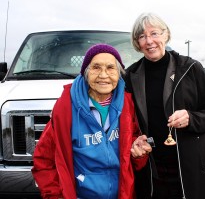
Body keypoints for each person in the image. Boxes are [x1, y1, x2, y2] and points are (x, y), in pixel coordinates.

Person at [124, 12, 205, 199]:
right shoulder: (131, 75)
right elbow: (127, 123)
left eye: (154, 33)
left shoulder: (190, 68)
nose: (149, 41)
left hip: (191, 166)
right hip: (151, 167)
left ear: (166, 34)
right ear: (137, 43)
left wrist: (191, 117)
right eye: (142, 36)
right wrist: (135, 142)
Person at [32, 43, 152, 199]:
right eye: (96, 67)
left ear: (118, 74)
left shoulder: (127, 104)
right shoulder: (66, 108)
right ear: (86, 73)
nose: (103, 75)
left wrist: (138, 154)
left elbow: (132, 153)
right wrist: (55, 196)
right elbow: (43, 160)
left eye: (110, 68)